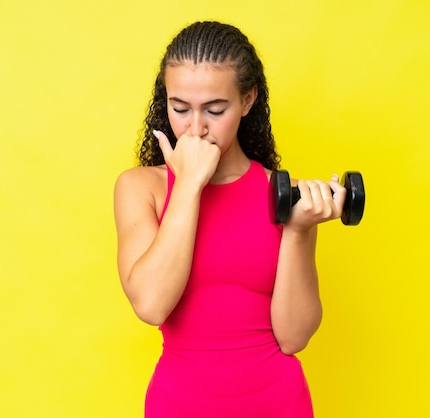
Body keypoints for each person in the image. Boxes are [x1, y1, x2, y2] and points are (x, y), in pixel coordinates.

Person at [113, 21, 346, 418]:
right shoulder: (141, 188)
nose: (196, 128)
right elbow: (151, 305)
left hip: (277, 402)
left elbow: (294, 337)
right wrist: (188, 184)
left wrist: (299, 230)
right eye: (179, 109)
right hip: (180, 404)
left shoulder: (282, 194)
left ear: (247, 100)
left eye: (215, 110)